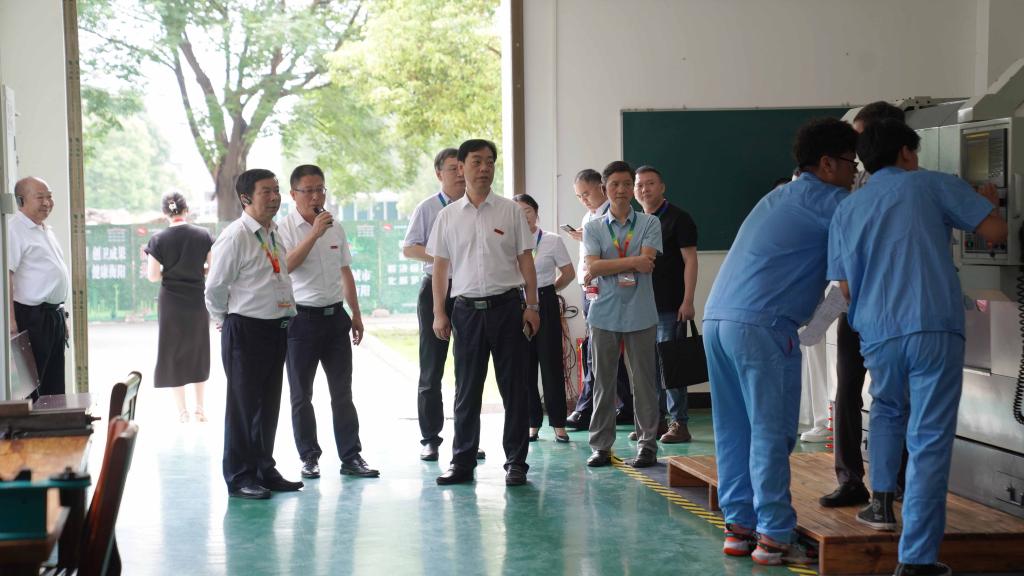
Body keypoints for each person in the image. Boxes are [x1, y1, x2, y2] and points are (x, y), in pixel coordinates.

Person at [828, 119, 1007, 576]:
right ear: (907, 153)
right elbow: (995, 233)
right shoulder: (933, 185)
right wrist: (986, 205)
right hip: (931, 325)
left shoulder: (848, 208)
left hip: (878, 332)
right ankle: (916, 559)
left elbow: (845, 287)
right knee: (928, 438)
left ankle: (880, 505)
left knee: (886, 411)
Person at [703, 117, 858, 565]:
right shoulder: (834, 202)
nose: (855, 173)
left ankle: (739, 527)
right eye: (851, 163)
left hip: (718, 320)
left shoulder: (779, 196)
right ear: (827, 164)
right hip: (762, 327)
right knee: (771, 432)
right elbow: (849, 280)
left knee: (734, 428)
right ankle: (773, 534)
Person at [426, 139, 539, 486]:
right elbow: (440, 269)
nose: (485, 168)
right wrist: (439, 313)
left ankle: (516, 462)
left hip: (507, 309)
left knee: (514, 389)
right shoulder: (447, 216)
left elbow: (526, 260)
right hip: (466, 312)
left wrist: (532, 305)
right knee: (466, 390)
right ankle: (462, 462)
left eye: (490, 161)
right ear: (461, 167)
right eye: (477, 161)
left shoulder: (510, 211)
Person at [820, 100, 909, 507]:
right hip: (853, 305)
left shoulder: (910, 184)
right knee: (848, 391)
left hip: (894, 308)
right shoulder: (851, 185)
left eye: (859, 137)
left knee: (895, 395)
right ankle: (850, 478)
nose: (854, 149)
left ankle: (898, 480)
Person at [205, 168, 303, 500]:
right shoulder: (235, 236)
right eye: (266, 192)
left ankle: (263, 468)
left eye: (276, 190)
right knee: (243, 407)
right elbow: (214, 287)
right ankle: (239, 476)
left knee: (267, 405)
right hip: (246, 329)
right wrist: (224, 318)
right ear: (246, 198)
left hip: (276, 328)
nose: (275, 197)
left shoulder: (273, 232)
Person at [277, 164, 378, 481]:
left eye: (320, 189)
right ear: (293, 194)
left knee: (342, 393)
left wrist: (356, 314)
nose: (316, 196)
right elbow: (286, 267)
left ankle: (351, 456)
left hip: (336, 319)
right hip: (300, 321)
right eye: (308, 191)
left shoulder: (335, 227)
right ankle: (309, 457)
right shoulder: (283, 229)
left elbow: (345, 271)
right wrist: (314, 234)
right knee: (301, 395)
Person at [402, 148, 483, 462]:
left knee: (469, 369)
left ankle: (467, 439)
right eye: (452, 169)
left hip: (468, 291)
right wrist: (443, 256)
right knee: (432, 367)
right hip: (435, 290)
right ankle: (430, 439)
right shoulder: (428, 208)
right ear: (439, 174)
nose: (459, 174)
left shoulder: (476, 206)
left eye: (461, 168)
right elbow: (409, 248)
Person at [582, 161, 662, 469]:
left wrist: (606, 265)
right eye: (615, 184)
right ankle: (601, 447)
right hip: (604, 313)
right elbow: (593, 266)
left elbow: (648, 262)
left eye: (627, 184)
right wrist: (631, 262)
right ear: (605, 189)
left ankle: (647, 445)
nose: (622, 190)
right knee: (603, 382)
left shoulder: (649, 223)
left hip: (641, 312)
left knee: (644, 382)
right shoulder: (593, 227)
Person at [564, 169, 634, 431]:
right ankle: (626, 405)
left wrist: (590, 237)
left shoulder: (613, 216)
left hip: (608, 288)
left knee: (596, 351)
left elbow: (619, 253)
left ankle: (586, 408)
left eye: (586, 193)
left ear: (601, 188)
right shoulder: (588, 216)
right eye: (578, 196)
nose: (583, 200)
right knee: (600, 350)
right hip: (589, 287)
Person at [634, 165, 698, 444]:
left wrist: (688, 300)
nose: (644, 189)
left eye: (650, 184)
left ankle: (679, 423)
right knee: (647, 368)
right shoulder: (635, 221)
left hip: (670, 305)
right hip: (640, 306)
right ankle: (654, 423)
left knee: (670, 366)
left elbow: (690, 260)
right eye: (639, 185)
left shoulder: (678, 218)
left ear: (662, 187)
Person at [144, 192, 213, 423]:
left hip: (171, 304)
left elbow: (153, 276)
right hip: (197, 300)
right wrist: (196, 270)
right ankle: (200, 408)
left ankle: (182, 412)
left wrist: (171, 272)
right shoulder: (204, 235)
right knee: (198, 350)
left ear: (164, 213)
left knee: (173, 352)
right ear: (187, 210)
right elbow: (213, 268)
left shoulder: (158, 239)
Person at [513, 193, 575, 443]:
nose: (523, 215)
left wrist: (548, 292)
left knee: (551, 364)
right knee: (524, 366)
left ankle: (559, 423)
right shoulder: (508, 241)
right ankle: (532, 423)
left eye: (527, 210)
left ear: (536, 213)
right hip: (517, 303)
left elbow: (568, 273)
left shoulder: (551, 240)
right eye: (517, 211)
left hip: (545, 302)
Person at [7, 176, 70, 396]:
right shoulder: (14, 229)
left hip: (53, 315)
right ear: (21, 200)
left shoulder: (44, 229)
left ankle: (55, 419)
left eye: (49, 197)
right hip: (31, 317)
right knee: (33, 387)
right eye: (40, 197)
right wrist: (11, 322)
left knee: (54, 384)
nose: (47, 203)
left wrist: (61, 315)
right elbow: (7, 276)